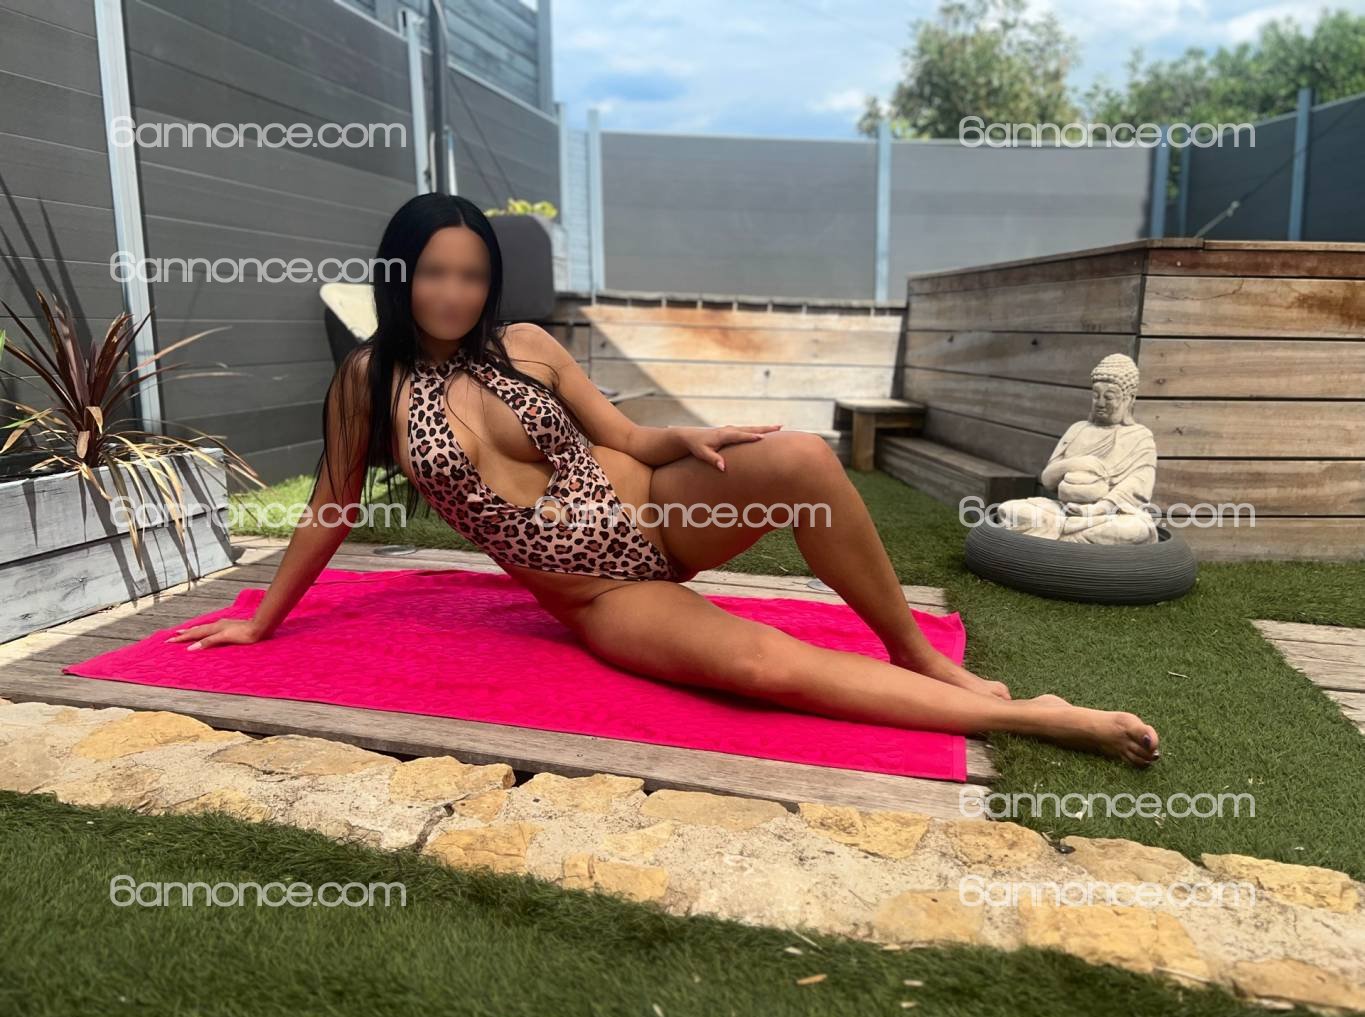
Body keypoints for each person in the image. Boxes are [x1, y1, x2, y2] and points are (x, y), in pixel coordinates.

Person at [168, 193, 1159, 767]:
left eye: (470, 274)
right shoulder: (367, 383)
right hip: (603, 593)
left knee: (803, 461)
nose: (454, 292)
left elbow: (628, 440)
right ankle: (1033, 714)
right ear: (399, 275)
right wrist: (262, 620)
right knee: (761, 670)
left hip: (656, 510)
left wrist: (690, 436)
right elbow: (332, 507)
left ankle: (914, 652)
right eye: (434, 273)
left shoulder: (527, 343)